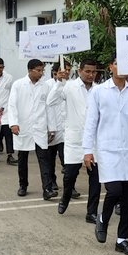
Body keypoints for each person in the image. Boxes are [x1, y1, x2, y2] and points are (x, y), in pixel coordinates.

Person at [82, 59, 128, 255]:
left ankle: (122, 239)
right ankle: (103, 219)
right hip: (107, 149)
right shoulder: (99, 91)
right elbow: (91, 122)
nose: (122, 67)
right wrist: (88, 150)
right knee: (114, 190)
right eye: (117, 63)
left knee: (127, 196)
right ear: (110, 67)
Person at [49, 59, 100, 222]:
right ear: (80, 71)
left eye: (93, 72)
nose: (91, 75)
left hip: (94, 142)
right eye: (87, 71)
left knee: (96, 179)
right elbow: (51, 101)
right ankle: (65, 197)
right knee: (70, 176)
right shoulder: (69, 86)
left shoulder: (99, 90)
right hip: (74, 140)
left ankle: (91, 212)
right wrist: (59, 82)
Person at [7, 59, 51, 197]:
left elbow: (49, 108)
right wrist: (13, 123)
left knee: (44, 158)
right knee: (23, 158)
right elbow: (12, 105)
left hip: (39, 127)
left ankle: (47, 189)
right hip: (23, 127)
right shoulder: (18, 85)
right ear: (30, 70)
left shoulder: (45, 86)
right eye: (38, 70)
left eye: (42, 70)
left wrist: (51, 128)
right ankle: (23, 185)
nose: (41, 73)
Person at [41, 65, 70, 198]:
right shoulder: (47, 85)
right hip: (52, 128)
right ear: (55, 72)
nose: (66, 72)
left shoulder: (71, 85)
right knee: (50, 158)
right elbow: (48, 105)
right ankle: (52, 182)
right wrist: (50, 129)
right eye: (63, 70)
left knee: (67, 160)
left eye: (68, 70)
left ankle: (70, 187)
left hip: (66, 129)